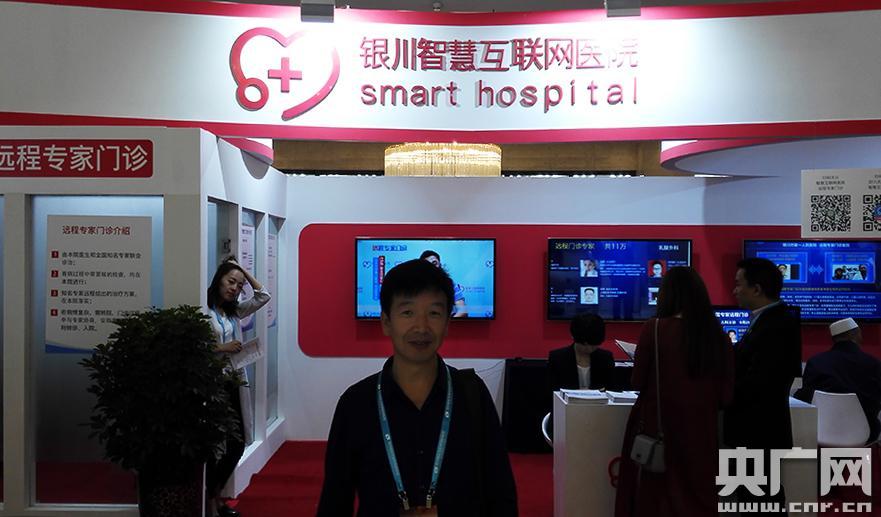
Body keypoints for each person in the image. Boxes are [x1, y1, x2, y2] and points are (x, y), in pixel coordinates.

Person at [317, 259, 517, 516]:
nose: (421, 327)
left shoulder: (472, 394)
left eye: (434, 313)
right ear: (386, 322)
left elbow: (501, 490)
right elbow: (335, 499)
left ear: (447, 323)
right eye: (407, 312)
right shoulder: (356, 403)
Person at [614, 267, 733, 517]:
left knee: (656, 497)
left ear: (667, 294)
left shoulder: (655, 329)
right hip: (702, 432)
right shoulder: (718, 336)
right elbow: (725, 394)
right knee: (699, 496)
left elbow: (638, 381)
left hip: (659, 428)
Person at [724, 257, 802, 514]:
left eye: (739, 284)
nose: (734, 290)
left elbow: (760, 381)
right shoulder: (766, 320)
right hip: (755, 431)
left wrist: (722, 392)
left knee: (762, 501)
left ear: (756, 289)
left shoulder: (777, 325)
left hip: (759, 430)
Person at [205, 256, 271, 517]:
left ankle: (214, 495)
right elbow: (196, 347)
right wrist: (222, 347)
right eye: (230, 281)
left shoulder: (233, 312)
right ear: (218, 280)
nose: (234, 288)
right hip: (212, 386)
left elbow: (263, 296)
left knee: (236, 444)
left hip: (233, 381)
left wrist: (241, 268)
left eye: (239, 285)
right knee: (214, 446)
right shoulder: (204, 310)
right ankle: (212, 502)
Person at [794, 318, 881, 443]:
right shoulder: (873, 364)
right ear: (855, 335)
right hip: (866, 433)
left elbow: (804, 398)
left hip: (822, 432)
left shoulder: (816, 362)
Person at [547, 313, 615, 393]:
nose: (589, 348)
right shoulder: (558, 358)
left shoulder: (605, 358)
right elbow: (552, 390)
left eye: (593, 345)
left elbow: (611, 389)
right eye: (584, 344)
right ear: (573, 336)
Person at [420, 250, 468, 318]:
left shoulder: (451, 285)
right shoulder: (418, 288)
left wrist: (447, 322)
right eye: (428, 265)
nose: (432, 267)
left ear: (440, 264)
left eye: (434, 263)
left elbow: (463, 310)